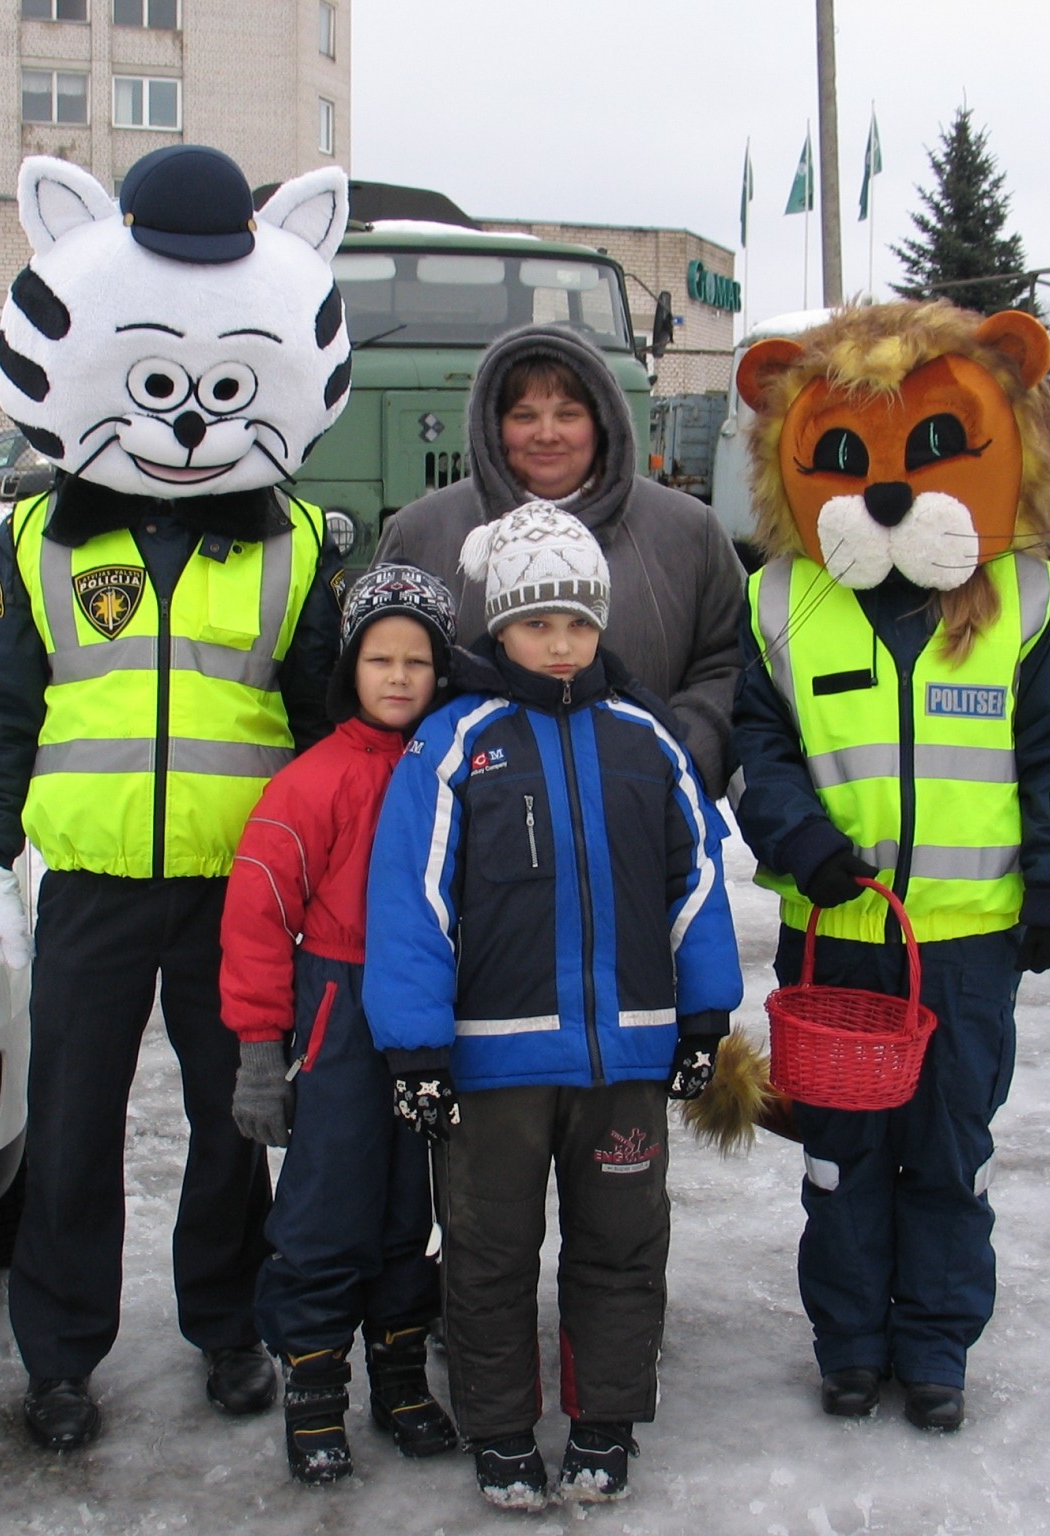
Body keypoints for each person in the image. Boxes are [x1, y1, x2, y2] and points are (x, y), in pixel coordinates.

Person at [0, 144, 353, 1451]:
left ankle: (226, 1328)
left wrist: (329, 887)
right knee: (67, 1134)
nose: (185, 419)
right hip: (93, 898)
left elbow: (327, 732)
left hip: (240, 902)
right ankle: (61, 1358)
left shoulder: (292, 544)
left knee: (235, 1126)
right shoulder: (30, 542)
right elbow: (0, 715)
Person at [729, 301, 1050, 1433]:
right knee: (840, 1156)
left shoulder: (1027, 605)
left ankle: (934, 1344)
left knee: (949, 1154)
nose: (885, 489)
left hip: (965, 948)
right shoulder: (778, 605)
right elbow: (757, 751)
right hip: (833, 942)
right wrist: (797, 841)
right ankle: (848, 1341)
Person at [365, 504, 743, 1511]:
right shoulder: (454, 742)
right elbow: (412, 897)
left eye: (578, 623)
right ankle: (497, 1430)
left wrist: (700, 1018)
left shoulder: (645, 741)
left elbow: (695, 879)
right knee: (488, 1255)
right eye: (538, 624)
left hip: (622, 1060)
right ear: (499, 629)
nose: (561, 643)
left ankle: (604, 1423)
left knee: (620, 1245)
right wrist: (414, 1049)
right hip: (489, 1069)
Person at [218, 564, 462, 1486]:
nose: (398, 678)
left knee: (413, 1209)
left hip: (433, 1016)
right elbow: (256, 916)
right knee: (327, 1205)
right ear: (350, 668)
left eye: (417, 662)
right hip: (340, 1014)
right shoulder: (311, 782)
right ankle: (314, 1383)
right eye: (379, 659)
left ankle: (399, 1374)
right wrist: (257, 1046)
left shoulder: (456, 767)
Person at [375, 323, 745, 796]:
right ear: (494, 426)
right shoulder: (420, 533)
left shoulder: (690, 531)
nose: (546, 434)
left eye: (568, 414)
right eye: (524, 415)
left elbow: (732, 663)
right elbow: (375, 675)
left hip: (644, 815)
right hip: (469, 832)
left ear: (601, 421)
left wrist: (681, 754)